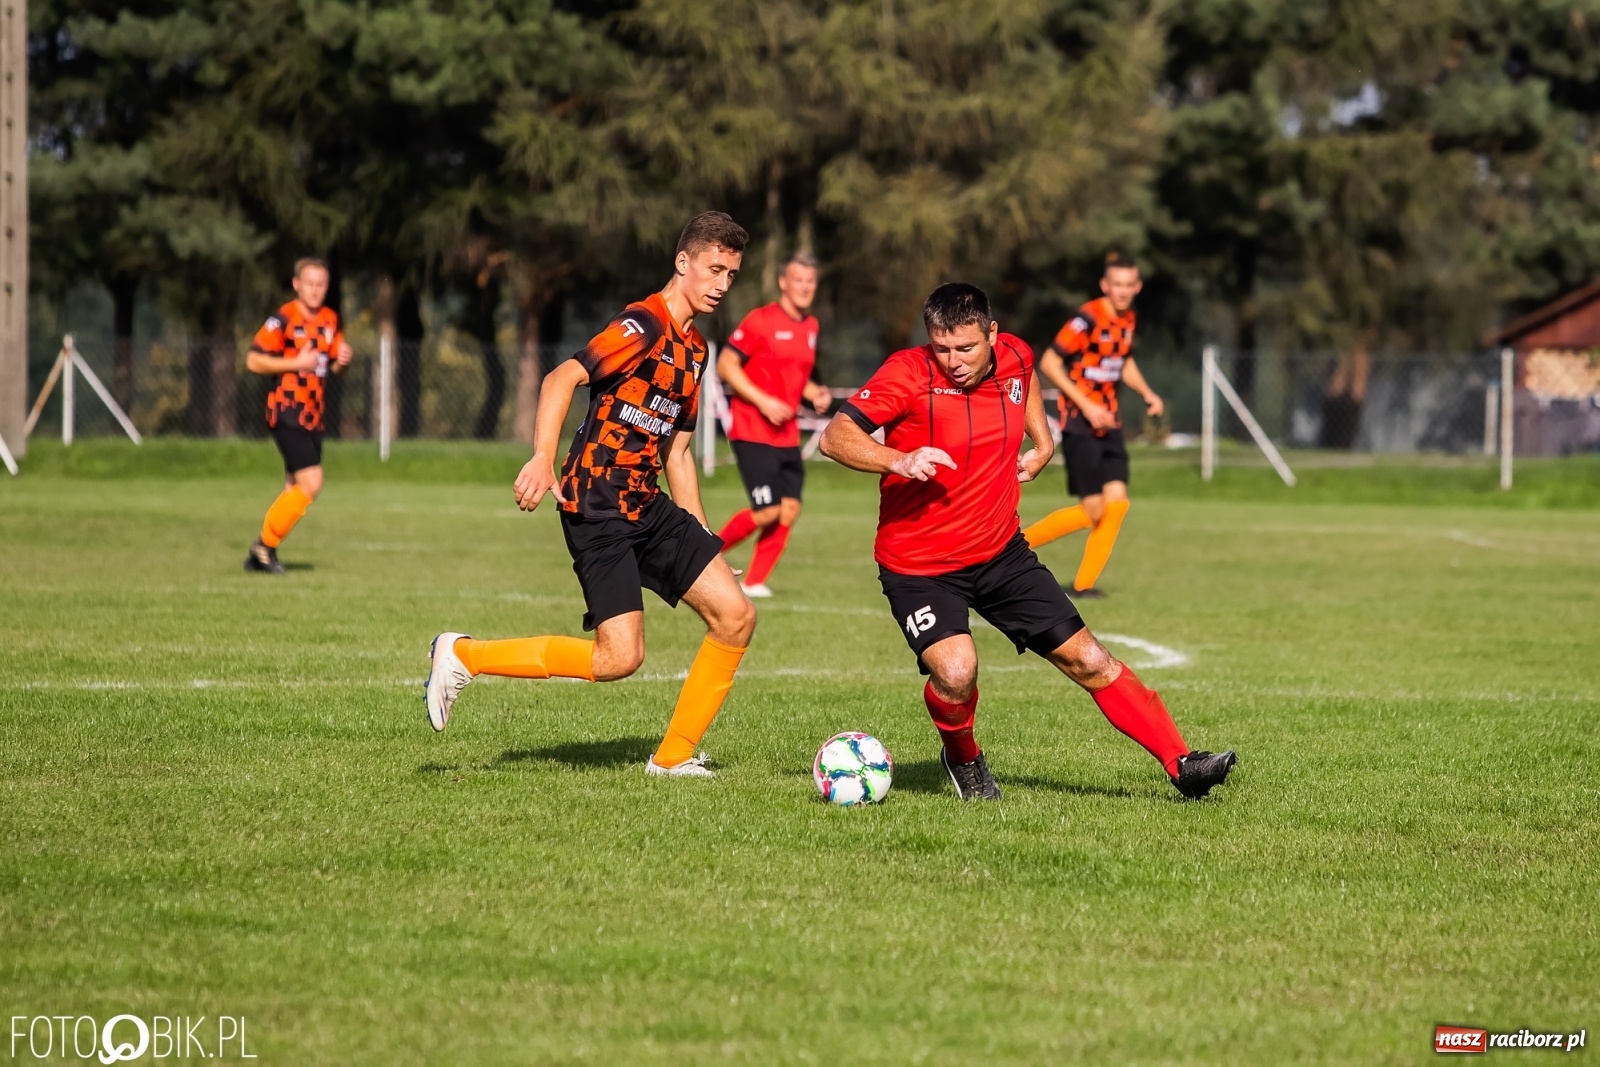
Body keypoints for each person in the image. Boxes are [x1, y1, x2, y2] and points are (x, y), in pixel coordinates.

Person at [819, 282, 1234, 801]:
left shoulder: (1014, 354)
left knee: (1091, 660)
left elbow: (1027, 377)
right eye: (942, 348)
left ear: (991, 334)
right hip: (919, 566)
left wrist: (1043, 441)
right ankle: (964, 758)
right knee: (956, 670)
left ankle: (1183, 764)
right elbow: (834, 436)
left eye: (966, 348)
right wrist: (897, 460)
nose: (953, 361)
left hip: (1001, 555)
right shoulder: (907, 372)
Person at [424, 212, 758, 779]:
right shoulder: (641, 325)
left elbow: (676, 455)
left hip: (646, 504)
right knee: (618, 658)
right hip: (596, 505)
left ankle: (672, 759)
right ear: (684, 263)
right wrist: (541, 456)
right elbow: (561, 377)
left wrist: (704, 536)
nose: (723, 284)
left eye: (732, 273)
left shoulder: (695, 353)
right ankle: (463, 655)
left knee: (736, 616)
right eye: (714, 269)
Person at [1023, 252, 1164, 598]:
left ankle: (1083, 584)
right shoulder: (1087, 318)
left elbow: (1122, 361)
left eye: (1129, 285)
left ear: (1138, 286)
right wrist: (1086, 405)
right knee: (1094, 509)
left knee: (1118, 503)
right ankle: (1012, 547)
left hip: (1110, 421)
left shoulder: (1128, 318)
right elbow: (1051, 362)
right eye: (1116, 285)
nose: (1122, 291)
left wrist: (1147, 392)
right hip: (1080, 423)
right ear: (1105, 285)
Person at [712, 252, 832, 597]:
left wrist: (815, 393)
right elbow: (726, 365)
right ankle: (704, 559)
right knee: (767, 511)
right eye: (798, 280)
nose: (805, 287)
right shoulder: (760, 321)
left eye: (810, 281)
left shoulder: (811, 326)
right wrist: (763, 401)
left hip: (787, 435)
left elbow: (796, 377)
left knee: (788, 510)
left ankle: (753, 582)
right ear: (783, 282)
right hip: (752, 430)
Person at [244, 257, 353, 574]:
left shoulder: (331, 319)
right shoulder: (283, 319)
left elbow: (334, 368)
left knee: (295, 486)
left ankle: (264, 553)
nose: (316, 290)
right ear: (296, 284)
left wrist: (343, 361)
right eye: (310, 283)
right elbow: (253, 361)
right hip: (286, 409)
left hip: (313, 415)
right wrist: (294, 364)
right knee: (312, 482)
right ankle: (263, 546)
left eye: (321, 284)